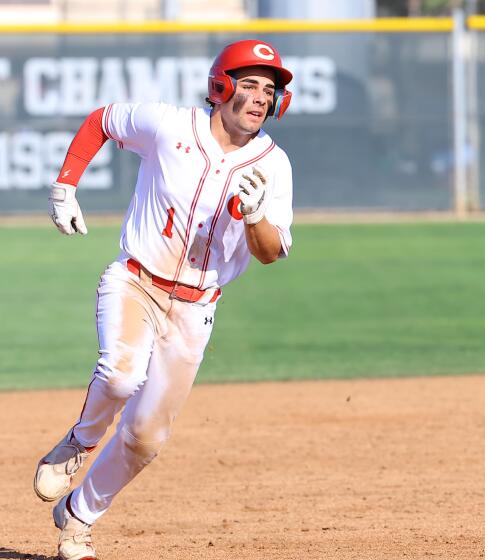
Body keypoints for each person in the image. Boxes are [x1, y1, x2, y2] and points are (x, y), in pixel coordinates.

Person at [34, 39, 295, 560]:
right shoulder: (170, 125)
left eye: (270, 90)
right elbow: (102, 120)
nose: (261, 97)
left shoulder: (275, 165)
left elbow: (271, 253)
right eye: (249, 85)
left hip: (196, 310)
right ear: (220, 87)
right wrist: (65, 187)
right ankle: (81, 441)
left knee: (145, 438)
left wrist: (254, 215)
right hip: (135, 279)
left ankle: (79, 518)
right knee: (119, 373)